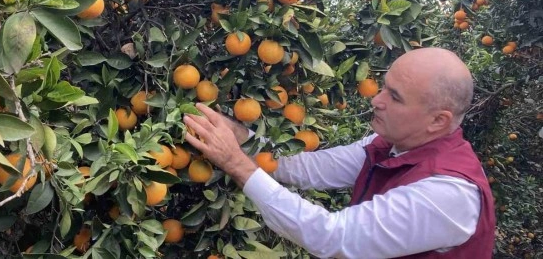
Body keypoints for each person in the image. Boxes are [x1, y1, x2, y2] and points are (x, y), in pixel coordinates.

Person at [183, 47, 495, 258]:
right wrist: (240, 135)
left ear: (437, 120)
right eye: (384, 86)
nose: (377, 100)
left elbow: (333, 237)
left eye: (395, 97)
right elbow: (303, 168)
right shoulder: (388, 145)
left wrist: (237, 164)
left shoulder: (449, 192)